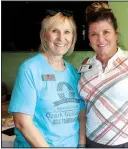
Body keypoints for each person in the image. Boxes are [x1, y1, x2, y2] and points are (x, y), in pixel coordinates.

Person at [78, 2, 128, 148]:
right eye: (94, 34)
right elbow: (84, 107)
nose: (100, 39)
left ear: (116, 34)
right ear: (89, 38)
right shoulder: (86, 64)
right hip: (94, 142)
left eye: (106, 32)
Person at [8, 9, 86, 147]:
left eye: (67, 32)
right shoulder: (30, 69)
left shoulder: (73, 73)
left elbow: (81, 114)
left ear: (73, 37)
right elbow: (22, 123)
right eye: (55, 31)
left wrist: (81, 144)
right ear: (44, 35)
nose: (61, 38)